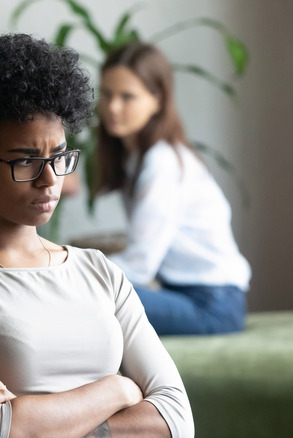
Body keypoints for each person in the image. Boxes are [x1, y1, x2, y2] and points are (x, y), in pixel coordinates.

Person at [0, 34, 193, 438]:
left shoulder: (98, 271)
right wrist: (119, 388)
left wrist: (29, 416)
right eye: (25, 161)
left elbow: (177, 419)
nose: (50, 179)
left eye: (60, 156)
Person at [95, 42, 251, 336]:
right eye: (107, 94)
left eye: (127, 97)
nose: (113, 107)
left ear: (157, 99)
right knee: (88, 297)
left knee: (89, 298)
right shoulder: (134, 159)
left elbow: (140, 266)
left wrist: (72, 271)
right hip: (184, 294)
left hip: (213, 305)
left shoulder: (162, 163)